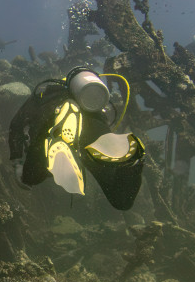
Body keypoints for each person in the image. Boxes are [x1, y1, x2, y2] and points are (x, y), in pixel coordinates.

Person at [8, 67, 145, 208]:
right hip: (93, 126)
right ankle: (133, 164)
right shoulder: (95, 102)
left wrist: (17, 162)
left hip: (51, 123)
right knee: (122, 201)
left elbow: (17, 124)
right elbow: (107, 120)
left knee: (31, 178)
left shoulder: (49, 92)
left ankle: (64, 123)